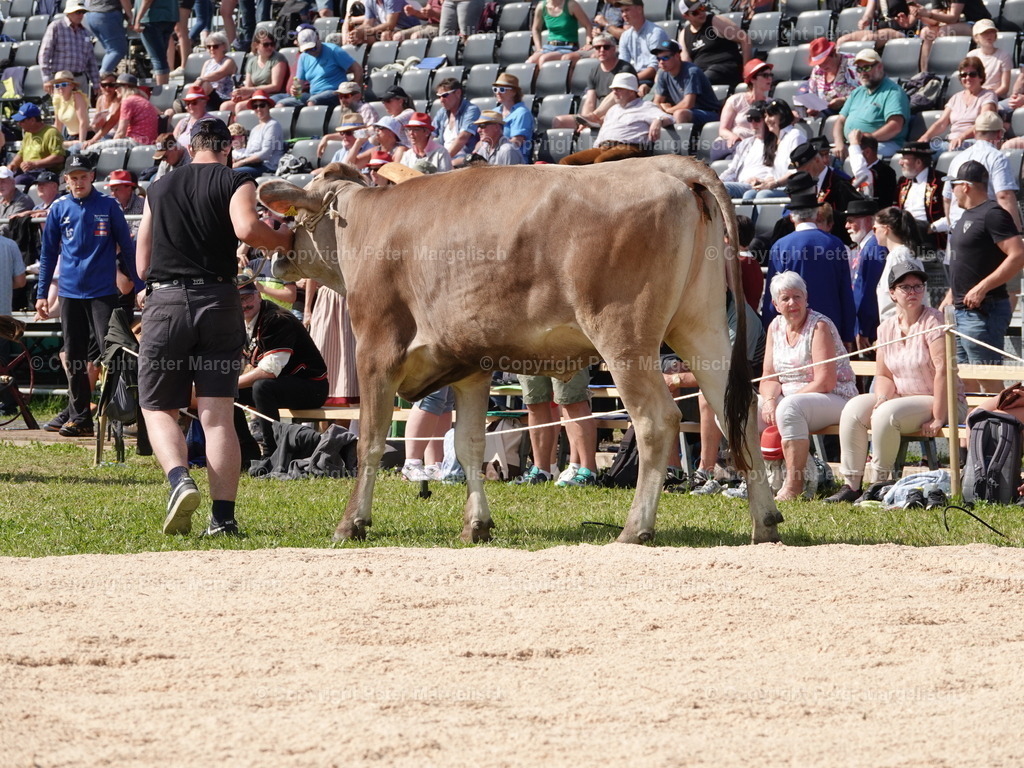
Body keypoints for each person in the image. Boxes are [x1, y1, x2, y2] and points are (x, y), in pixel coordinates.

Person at [136, 117, 293, 537]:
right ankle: (222, 520)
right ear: (228, 149)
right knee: (218, 414)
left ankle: (179, 480)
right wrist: (285, 240)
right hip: (220, 302)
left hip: (166, 301)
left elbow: (141, 263)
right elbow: (247, 229)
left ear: (189, 148)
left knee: (157, 407)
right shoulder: (235, 179)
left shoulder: (158, 186)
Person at [827, 262, 967, 503]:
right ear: (892, 293)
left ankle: (879, 484)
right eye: (905, 287)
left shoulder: (935, 321)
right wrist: (881, 398)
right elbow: (883, 375)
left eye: (918, 286)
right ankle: (851, 485)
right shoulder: (886, 327)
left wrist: (939, 416)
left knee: (886, 414)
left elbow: (943, 371)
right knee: (853, 409)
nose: (913, 292)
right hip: (902, 399)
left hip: (941, 401)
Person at [35, 153, 140, 438]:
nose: (79, 182)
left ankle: (122, 413)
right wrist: (42, 292)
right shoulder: (58, 209)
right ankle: (81, 417)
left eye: (83, 176)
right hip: (69, 293)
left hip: (103, 292)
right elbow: (48, 254)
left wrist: (140, 286)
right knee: (74, 356)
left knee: (114, 354)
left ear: (92, 176)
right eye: (73, 177)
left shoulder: (108, 206)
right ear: (66, 180)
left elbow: (128, 249)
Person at [759, 271, 858, 501]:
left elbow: (825, 380)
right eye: (785, 298)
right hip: (788, 399)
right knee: (743, 408)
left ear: (806, 298)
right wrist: (770, 401)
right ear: (775, 303)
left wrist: (783, 402)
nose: (792, 303)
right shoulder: (774, 327)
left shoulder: (819, 326)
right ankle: (759, 480)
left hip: (834, 396)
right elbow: (768, 376)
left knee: (790, 408)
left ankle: (794, 486)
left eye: (797, 296)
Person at [941, 160, 1024, 372]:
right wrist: (950, 296)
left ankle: (997, 407)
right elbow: (968, 263)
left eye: (953, 186)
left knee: (987, 377)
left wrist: (982, 287)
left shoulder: (993, 214)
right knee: (960, 380)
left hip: (983, 310)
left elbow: (1018, 254)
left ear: (965, 186)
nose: (952, 192)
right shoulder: (965, 217)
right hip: (961, 311)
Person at [236, 282, 329, 457]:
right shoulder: (241, 322)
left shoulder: (276, 319)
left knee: (261, 387)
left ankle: (273, 454)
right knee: (228, 395)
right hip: (283, 386)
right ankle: (248, 453)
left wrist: (230, 384)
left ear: (259, 295)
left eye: (247, 297)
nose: (243, 305)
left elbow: (269, 371)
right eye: (237, 300)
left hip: (311, 387)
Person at [762, 182, 856, 347]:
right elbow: (845, 292)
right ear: (817, 215)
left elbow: (773, 296)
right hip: (830, 328)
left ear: (792, 216)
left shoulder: (781, 246)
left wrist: (769, 329)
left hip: (792, 328)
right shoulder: (835, 244)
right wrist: (848, 333)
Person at [512, 367, 599, 487]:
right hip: (528, 350)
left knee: (572, 400)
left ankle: (588, 472)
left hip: (563, 350)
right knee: (534, 402)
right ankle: (541, 471)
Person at [559, 72, 670, 164]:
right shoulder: (613, 109)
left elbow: (669, 118)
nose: (614, 93)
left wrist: (658, 120)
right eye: (613, 89)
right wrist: (596, 146)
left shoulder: (645, 106)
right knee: (566, 162)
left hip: (630, 147)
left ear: (631, 91)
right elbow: (603, 132)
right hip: (604, 147)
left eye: (619, 89)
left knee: (602, 161)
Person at [943, 111, 1021, 230]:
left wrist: (951, 229)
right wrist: (1016, 232)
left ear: (974, 133)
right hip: (985, 230)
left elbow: (947, 197)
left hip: (957, 230)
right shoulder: (998, 157)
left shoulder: (957, 158)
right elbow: (1004, 196)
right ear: (1000, 134)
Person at [832, 49, 911, 160]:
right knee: (827, 156)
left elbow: (895, 126)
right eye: (860, 69)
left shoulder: (893, 92)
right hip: (853, 144)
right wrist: (839, 143)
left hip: (883, 143)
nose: (863, 72)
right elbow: (840, 121)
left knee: (859, 156)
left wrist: (866, 140)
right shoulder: (857, 92)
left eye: (867, 67)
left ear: (880, 67)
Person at [551, 33, 635, 130]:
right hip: (597, 116)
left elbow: (617, 96)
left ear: (614, 49)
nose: (602, 50)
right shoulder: (594, 71)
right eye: (598, 47)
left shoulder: (625, 68)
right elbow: (590, 101)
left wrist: (593, 116)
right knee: (559, 121)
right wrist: (584, 120)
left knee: (616, 91)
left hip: (620, 112)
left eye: (606, 47)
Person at [919, 56, 998, 151]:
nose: (967, 77)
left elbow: (984, 123)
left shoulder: (988, 95)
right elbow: (941, 123)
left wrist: (962, 137)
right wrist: (925, 137)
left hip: (974, 142)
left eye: (972, 74)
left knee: (953, 147)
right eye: (964, 75)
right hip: (951, 141)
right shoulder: (955, 98)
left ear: (981, 77)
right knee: (920, 151)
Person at [278, 27, 363, 108]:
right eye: (307, 50)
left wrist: (354, 93)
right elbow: (299, 84)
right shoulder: (303, 57)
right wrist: (296, 90)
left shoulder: (333, 50)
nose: (310, 52)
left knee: (312, 102)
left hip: (334, 92)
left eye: (313, 48)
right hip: (313, 94)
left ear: (318, 39)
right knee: (281, 104)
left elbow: (357, 69)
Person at [872, 205, 927, 327]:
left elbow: (907, 298)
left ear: (886, 229)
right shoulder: (899, 254)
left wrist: (901, 331)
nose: (873, 233)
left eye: (874, 229)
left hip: (903, 328)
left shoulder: (900, 256)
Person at [81, 74, 159, 156]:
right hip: (147, 142)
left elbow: (120, 132)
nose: (115, 89)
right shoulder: (141, 99)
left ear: (125, 87)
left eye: (117, 86)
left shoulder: (128, 101)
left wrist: (112, 149)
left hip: (136, 142)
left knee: (88, 149)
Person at [677, 0, 749, 89]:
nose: (701, 13)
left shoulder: (715, 21)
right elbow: (686, 63)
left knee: (699, 81)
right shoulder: (684, 34)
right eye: (695, 12)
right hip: (702, 74)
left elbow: (745, 39)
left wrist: (746, 70)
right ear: (685, 16)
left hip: (725, 68)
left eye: (702, 8)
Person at [650, 39, 719, 128]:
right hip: (683, 111)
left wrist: (668, 110)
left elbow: (688, 104)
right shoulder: (663, 73)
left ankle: (682, 142)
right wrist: (661, 116)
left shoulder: (691, 71)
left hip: (707, 113)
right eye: (658, 58)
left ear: (677, 56)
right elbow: (657, 102)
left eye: (665, 58)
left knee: (680, 114)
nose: (661, 62)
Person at [714, 58, 774, 160]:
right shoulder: (735, 100)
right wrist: (734, 137)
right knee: (738, 155)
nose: (769, 79)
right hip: (729, 144)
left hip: (753, 147)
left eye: (770, 75)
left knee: (734, 159)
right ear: (752, 79)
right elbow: (723, 130)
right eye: (765, 75)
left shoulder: (771, 103)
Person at [846, 198, 887, 349]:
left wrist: (863, 328)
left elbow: (870, 291)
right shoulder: (867, 247)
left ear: (869, 221)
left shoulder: (874, 247)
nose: (847, 226)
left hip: (871, 329)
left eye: (851, 221)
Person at [895, 141, 945, 256]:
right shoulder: (903, 181)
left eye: (904, 158)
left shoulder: (940, 181)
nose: (900, 162)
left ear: (918, 162)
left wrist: (933, 227)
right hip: (906, 232)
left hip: (931, 234)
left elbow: (952, 213)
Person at [39, 0, 100, 92]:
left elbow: (91, 60)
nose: (81, 15)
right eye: (78, 12)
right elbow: (45, 54)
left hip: (80, 79)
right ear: (69, 12)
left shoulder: (85, 33)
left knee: (82, 106)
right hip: (61, 80)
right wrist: (47, 78)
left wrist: (96, 83)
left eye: (83, 12)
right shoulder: (56, 27)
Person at [224, 28, 290, 113]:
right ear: (256, 45)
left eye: (272, 44)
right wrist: (240, 94)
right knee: (226, 106)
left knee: (240, 107)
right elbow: (248, 86)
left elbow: (276, 86)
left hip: (271, 96)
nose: (270, 47)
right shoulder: (252, 62)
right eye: (266, 44)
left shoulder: (278, 58)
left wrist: (252, 90)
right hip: (255, 95)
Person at [615, 0, 668, 95]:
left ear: (639, 9)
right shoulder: (625, 36)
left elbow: (655, 67)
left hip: (652, 80)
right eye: (622, 11)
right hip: (632, 79)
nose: (624, 15)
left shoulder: (656, 33)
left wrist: (629, 80)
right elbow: (623, 65)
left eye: (627, 10)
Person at [7, 104, 66, 187]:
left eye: (22, 121)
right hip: (28, 171)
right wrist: (12, 164)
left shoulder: (51, 133)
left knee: (19, 181)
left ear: (32, 120)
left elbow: (59, 157)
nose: (19, 124)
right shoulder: (28, 133)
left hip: (45, 172)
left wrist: (35, 164)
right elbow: (21, 153)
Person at [231, 90, 285, 178]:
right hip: (253, 165)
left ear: (268, 106)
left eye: (262, 105)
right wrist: (237, 160)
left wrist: (241, 162)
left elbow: (266, 153)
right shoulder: (255, 129)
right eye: (255, 106)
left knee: (233, 173)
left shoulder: (273, 125)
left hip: (267, 167)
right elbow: (249, 152)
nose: (258, 109)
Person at [431, 78, 480, 166]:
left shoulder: (471, 110)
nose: (441, 100)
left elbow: (463, 138)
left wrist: (442, 160)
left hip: (465, 159)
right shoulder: (442, 112)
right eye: (439, 96)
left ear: (458, 93)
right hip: (446, 158)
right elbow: (429, 134)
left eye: (445, 95)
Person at [804, 37, 858, 118]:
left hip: (853, 111)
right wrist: (812, 107)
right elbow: (812, 94)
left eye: (825, 62)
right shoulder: (817, 70)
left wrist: (844, 100)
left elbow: (866, 92)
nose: (822, 67)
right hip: (826, 112)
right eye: (819, 64)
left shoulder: (853, 64)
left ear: (833, 53)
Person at [527, 0, 592, 66]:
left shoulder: (571, 5)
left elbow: (588, 25)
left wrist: (588, 43)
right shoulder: (542, 6)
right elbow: (536, 29)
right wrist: (538, 48)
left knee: (544, 59)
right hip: (550, 47)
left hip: (568, 46)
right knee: (531, 61)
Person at [131, 0, 179, 86]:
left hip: (151, 18)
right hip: (169, 16)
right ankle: (163, 88)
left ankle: (162, 91)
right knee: (161, 58)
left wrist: (138, 18)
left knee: (158, 59)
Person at [490, 73, 534, 162]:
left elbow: (516, 142)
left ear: (514, 92)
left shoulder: (522, 113)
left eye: (502, 89)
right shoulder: (494, 111)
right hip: (494, 155)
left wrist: (495, 152)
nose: (498, 92)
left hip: (514, 160)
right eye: (495, 89)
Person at [847, 131, 897, 206]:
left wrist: (854, 144)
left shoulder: (885, 172)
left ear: (867, 152)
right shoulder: (865, 170)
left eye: (857, 151)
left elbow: (860, 172)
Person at [85, 0, 132, 77]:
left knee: (110, 51)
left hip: (91, 14)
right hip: (107, 13)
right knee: (117, 51)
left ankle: (101, 79)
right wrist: (131, 17)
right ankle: (101, 79)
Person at [192, 32, 237, 110]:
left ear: (223, 46)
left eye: (215, 46)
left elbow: (219, 74)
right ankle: (191, 105)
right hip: (207, 97)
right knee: (199, 85)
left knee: (204, 84)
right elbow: (202, 78)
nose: (211, 49)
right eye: (209, 47)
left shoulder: (229, 61)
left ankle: (194, 106)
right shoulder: (207, 63)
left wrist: (200, 79)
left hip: (222, 97)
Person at [344, 0, 423, 44]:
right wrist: (357, 32)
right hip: (393, 30)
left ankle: (392, 63)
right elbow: (367, 24)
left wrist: (365, 32)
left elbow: (390, 24)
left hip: (410, 27)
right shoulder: (370, 2)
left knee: (385, 35)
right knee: (361, 39)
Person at [970, 18, 1011, 99]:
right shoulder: (971, 56)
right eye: (984, 33)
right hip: (976, 96)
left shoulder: (1004, 56)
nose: (989, 35)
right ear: (976, 37)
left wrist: (989, 96)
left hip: (996, 97)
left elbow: (1004, 87)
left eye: (992, 32)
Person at [50, 71, 91, 147]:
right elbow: (58, 124)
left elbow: (83, 121)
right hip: (70, 137)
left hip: (84, 136)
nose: (60, 88)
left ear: (72, 86)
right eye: (57, 85)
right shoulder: (57, 99)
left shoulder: (77, 96)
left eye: (64, 84)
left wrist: (81, 143)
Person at [107, 169, 145, 240]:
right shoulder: (108, 205)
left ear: (129, 189)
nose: (113, 194)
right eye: (112, 190)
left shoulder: (142, 205)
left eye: (117, 189)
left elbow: (136, 234)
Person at [0, 168, 34, 240]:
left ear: (13, 182)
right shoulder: (1, 200)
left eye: (3, 181)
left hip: (15, 246)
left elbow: (9, 226)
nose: (0, 185)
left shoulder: (23, 200)